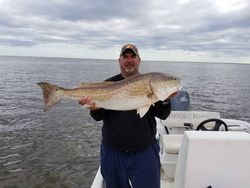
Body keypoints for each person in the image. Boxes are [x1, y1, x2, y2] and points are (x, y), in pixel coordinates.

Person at [79, 44, 172, 188]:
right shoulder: (108, 84)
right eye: (125, 57)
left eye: (133, 56)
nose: (129, 60)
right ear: (119, 61)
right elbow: (98, 116)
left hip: (145, 151)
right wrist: (94, 108)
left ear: (139, 60)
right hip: (113, 152)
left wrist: (166, 99)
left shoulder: (151, 86)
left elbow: (163, 115)